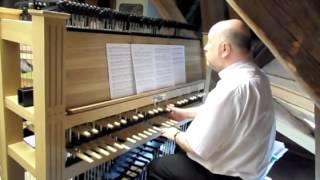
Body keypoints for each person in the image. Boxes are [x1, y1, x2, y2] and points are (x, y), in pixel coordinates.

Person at [147, 19, 276, 180]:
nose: (205, 47)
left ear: (224, 49)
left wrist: (173, 134)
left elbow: (195, 147)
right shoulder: (257, 76)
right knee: (180, 152)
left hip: (226, 176)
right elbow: (226, 112)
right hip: (250, 173)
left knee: (157, 166)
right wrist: (185, 113)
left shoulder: (232, 86)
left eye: (210, 42)